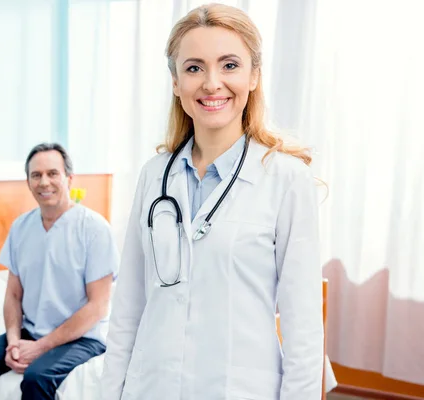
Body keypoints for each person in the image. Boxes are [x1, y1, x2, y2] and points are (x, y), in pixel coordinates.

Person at [101, 4, 324, 400]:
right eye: (194, 68)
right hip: (152, 387)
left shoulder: (287, 179)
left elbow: (302, 327)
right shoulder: (155, 175)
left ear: (254, 75)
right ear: (175, 82)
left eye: (229, 65)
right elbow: (128, 308)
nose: (211, 83)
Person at [0, 143, 119, 400]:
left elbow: (98, 307)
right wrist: (14, 342)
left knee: (37, 378)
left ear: (69, 179)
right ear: (28, 183)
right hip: (31, 331)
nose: (44, 182)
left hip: (83, 337)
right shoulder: (21, 227)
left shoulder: (93, 228)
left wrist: (40, 348)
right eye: (36, 175)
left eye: (52, 173)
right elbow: (14, 295)